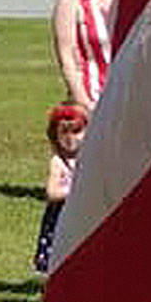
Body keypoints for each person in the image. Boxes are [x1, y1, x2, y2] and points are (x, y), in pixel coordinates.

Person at [33, 102, 88, 275]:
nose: (70, 137)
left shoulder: (87, 159)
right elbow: (52, 193)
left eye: (76, 131)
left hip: (83, 215)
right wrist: (74, 191)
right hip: (61, 218)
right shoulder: (58, 162)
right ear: (55, 135)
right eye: (64, 132)